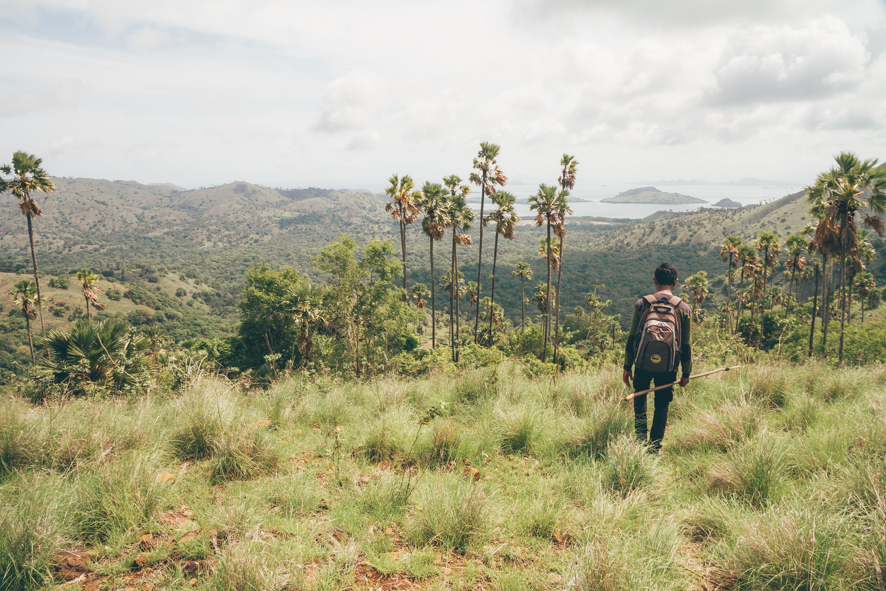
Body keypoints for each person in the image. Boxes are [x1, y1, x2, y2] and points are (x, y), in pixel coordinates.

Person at [622, 263, 692, 454]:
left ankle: (640, 439)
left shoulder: (642, 304)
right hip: (669, 367)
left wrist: (627, 366)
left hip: (642, 363)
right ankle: (654, 448)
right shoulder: (684, 309)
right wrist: (686, 373)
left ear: (655, 281)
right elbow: (686, 346)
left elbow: (631, 338)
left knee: (640, 397)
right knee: (662, 403)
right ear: (676, 282)